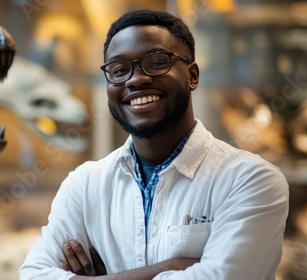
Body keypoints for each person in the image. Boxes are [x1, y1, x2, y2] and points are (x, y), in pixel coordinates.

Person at [19, 9, 289, 280]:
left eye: (157, 62)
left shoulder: (250, 180)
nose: (136, 79)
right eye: (120, 69)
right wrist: (165, 269)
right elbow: (32, 276)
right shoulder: (84, 185)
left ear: (192, 76)